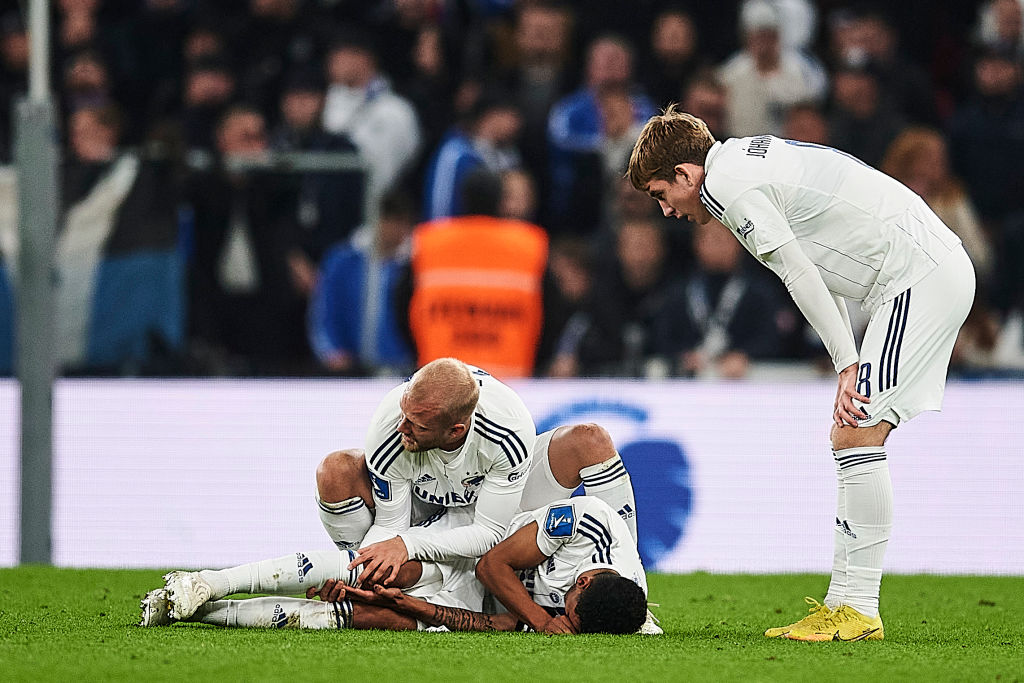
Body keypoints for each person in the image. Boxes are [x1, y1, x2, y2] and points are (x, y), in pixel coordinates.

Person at [628, 106, 975, 641]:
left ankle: (858, 610)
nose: (667, 211)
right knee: (851, 435)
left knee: (857, 431)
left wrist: (846, 363)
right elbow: (818, 266)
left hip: (918, 275)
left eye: (660, 194)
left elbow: (798, 272)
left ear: (684, 174)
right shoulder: (740, 163)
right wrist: (848, 358)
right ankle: (844, 604)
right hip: (915, 274)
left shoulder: (729, 189)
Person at [139, 496, 648, 635]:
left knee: (374, 613)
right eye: (570, 610)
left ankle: (196, 611)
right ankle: (206, 581)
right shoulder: (588, 525)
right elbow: (494, 564)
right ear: (584, 578)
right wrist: (543, 621)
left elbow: (500, 619)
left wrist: (413, 608)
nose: (565, 619)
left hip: (486, 602)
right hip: (464, 549)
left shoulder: (622, 613)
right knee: (374, 571)